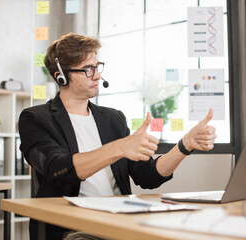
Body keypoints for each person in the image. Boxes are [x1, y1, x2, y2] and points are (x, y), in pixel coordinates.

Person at [18, 32, 217, 240]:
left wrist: (184, 146)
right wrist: (119, 148)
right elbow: (56, 168)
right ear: (61, 75)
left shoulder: (113, 119)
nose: (97, 75)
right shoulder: (35, 118)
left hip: (119, 221)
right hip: (73, 228)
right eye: (88, 69)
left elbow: (147, 176)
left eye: (97, 66)